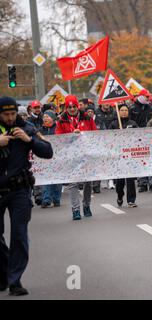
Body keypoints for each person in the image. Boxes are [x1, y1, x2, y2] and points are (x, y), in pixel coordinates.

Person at [0, 96, 53, 296]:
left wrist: (29, 140)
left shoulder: (26, 127)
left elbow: (48, 151)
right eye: (6, 115)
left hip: (19, 190)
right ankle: (4, 272)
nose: (11, 118)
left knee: (19, 235)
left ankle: (15, 280)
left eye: (13, 114)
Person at [55, 95, 97, 220]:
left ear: (77, 106)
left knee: (88, 182)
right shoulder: (61, 120)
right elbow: (58, 137)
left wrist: (83, 134)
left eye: (74, 106)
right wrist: (70, 136)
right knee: (73, 183)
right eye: (69, 107)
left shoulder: (87, 118)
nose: (72, 109)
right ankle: (75, 210)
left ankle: (86, 205)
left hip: (86, 155)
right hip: (71, 156)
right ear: (66, 108)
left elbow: (95, 134)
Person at [109, 104, 138, 208]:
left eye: (126, 110)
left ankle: (131, 200)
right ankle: (120, 195)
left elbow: (139, 137)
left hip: (130, 155)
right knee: (120, 181)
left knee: (130, 180)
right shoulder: (113, 124)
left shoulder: (133, 124)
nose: (124, 112)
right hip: (118, 156)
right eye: (122, 110)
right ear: (118, 111)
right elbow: (108, 138)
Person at [130, 89, 152, 192]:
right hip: (137, 137)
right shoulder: (132, 108)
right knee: (140, 159)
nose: (148, 98)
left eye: (148, 97)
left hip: (149, 136)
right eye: (146, 97)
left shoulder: (150, 108)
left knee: (150, 159)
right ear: (141, 96)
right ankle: (142, 183)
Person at [40, 110, 62, 208]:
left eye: (47, 116)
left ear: (53, 118)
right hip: (45, 157)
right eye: (44, 117)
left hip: (58, 157)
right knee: (46, 178)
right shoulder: (40, 130)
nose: (45, 118)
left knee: (57, 178)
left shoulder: (58, 128)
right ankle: (46, 199)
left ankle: (56, 199)